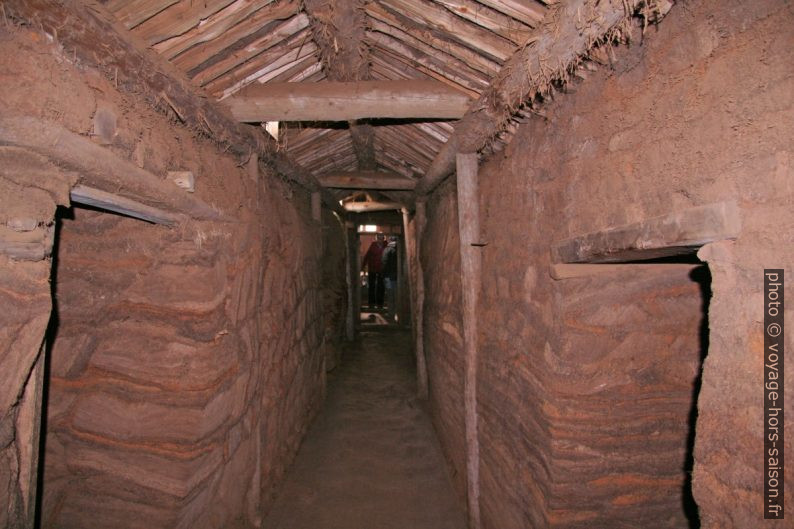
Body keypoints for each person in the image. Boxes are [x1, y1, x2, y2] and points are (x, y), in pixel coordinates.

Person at [361, 233, 386, 308]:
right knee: (372, 286)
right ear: (377, 238)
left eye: (381, 238)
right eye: (379, 238)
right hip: (372, 269)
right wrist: (363, 266)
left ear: (383, 238)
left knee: (381, 287)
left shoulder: (386, 245)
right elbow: (367, 256)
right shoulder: (373, 246)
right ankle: (371, 303)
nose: (380, 239)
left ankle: (380, 304)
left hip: (382, 269)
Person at [381, 236, 399, 322]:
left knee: (390, 295)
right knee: (396, 296)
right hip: (397, 277)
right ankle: (397, 314)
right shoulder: (398, 249)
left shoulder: (386, 250)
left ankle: (391, 314)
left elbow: (384, 263)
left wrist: (384, 276)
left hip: (388, 276)